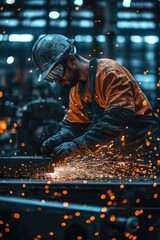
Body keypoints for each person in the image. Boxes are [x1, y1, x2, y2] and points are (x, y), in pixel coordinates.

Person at [32, 34, 160, 177]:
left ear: (71, 59)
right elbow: (74, 126)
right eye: (50, 77)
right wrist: (59, 138)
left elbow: (118, 119)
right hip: (123, 157)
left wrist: (77, 145)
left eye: (57, 72)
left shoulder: (108, 72)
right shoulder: (76, 91)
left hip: (146, 151)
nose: (56, 80)